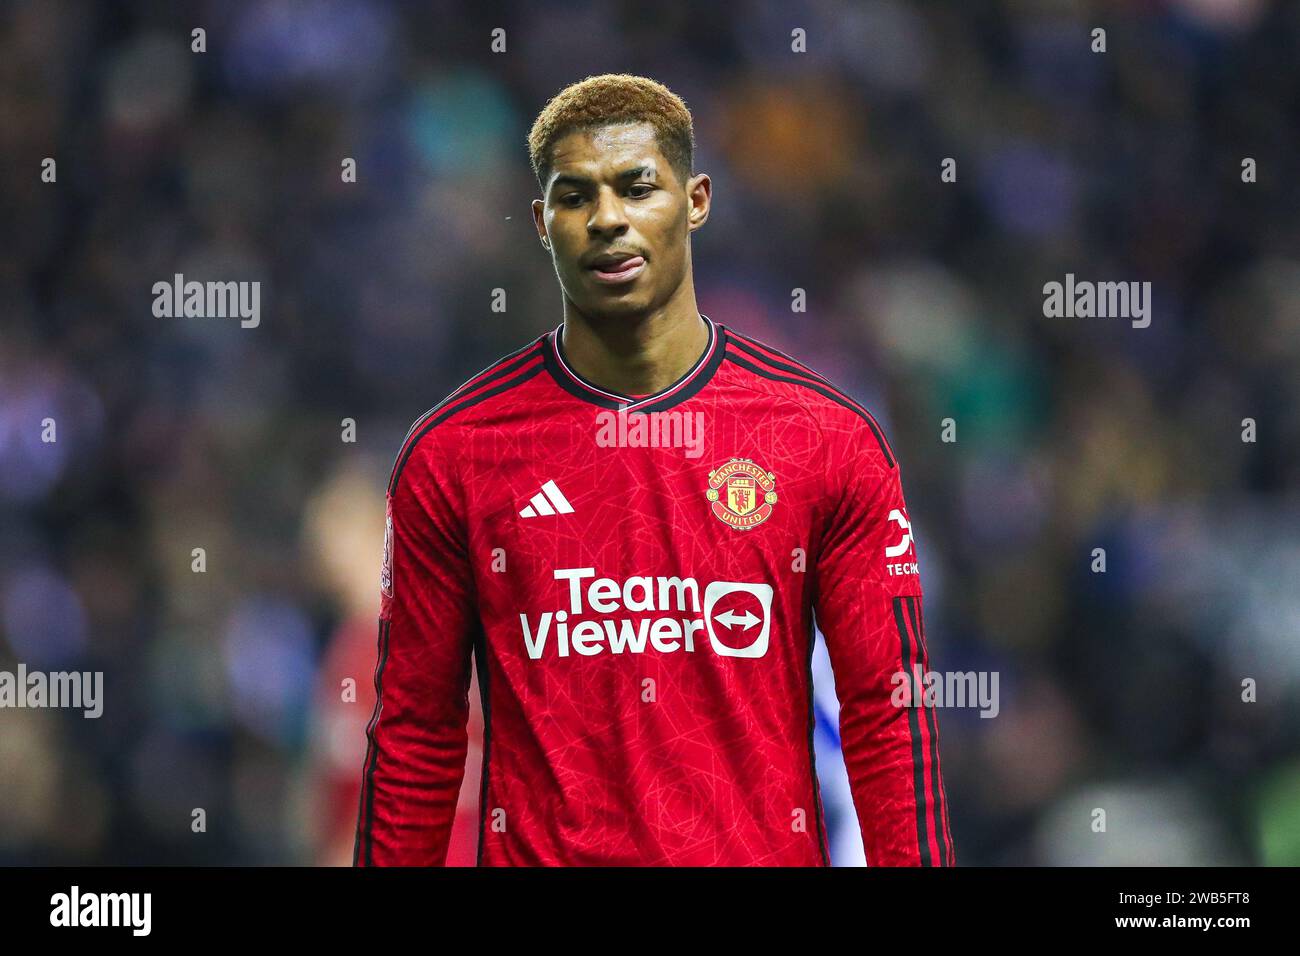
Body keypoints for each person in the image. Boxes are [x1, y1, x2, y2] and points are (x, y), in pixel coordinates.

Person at [354, 73, 954, 866]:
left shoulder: (823, 441)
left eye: (638, 188)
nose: (607, 219)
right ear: (542, 222)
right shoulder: (457, 454)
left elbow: (888, 712)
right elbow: (417, 731)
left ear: (696, 200)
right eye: (575, 198)